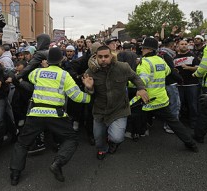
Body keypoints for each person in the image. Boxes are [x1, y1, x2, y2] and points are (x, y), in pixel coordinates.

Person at [9, 47, 93, 185]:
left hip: (35, 113)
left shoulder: (37, 72)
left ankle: (15, 174)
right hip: (56, 114)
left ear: (47, 60)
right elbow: (76, 97)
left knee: (23, 143)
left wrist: (44, 69)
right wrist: (90, 95)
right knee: (71, 138)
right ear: (62, 60)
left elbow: (29, 77)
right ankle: (57, 163)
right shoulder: (64, 75)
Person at [86, 45, 149, 160]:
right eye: (100, 57)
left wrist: (141, 88)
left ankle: (113, 142)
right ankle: (102, 149)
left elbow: (135, 77)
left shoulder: (122, 67)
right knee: (99, 139)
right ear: (96, 57)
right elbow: (89, 93)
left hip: (119, 109)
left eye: (106, 56)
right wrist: (89, 88)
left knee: (117, 138)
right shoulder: (90, 72)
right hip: (100, 111)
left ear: (111, 56)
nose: (103, 59)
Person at [136, 37, 198, 152]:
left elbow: (142, 80)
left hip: (146, 99)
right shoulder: (160, 59)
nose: (142, 50)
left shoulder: (144, 62)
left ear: (148, 49)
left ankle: (138, 133)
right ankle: (191, 144)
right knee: (174, 122)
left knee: (134, 113)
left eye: (143, 48)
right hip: (161, 99)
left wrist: (131, 82)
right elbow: (168, 72)